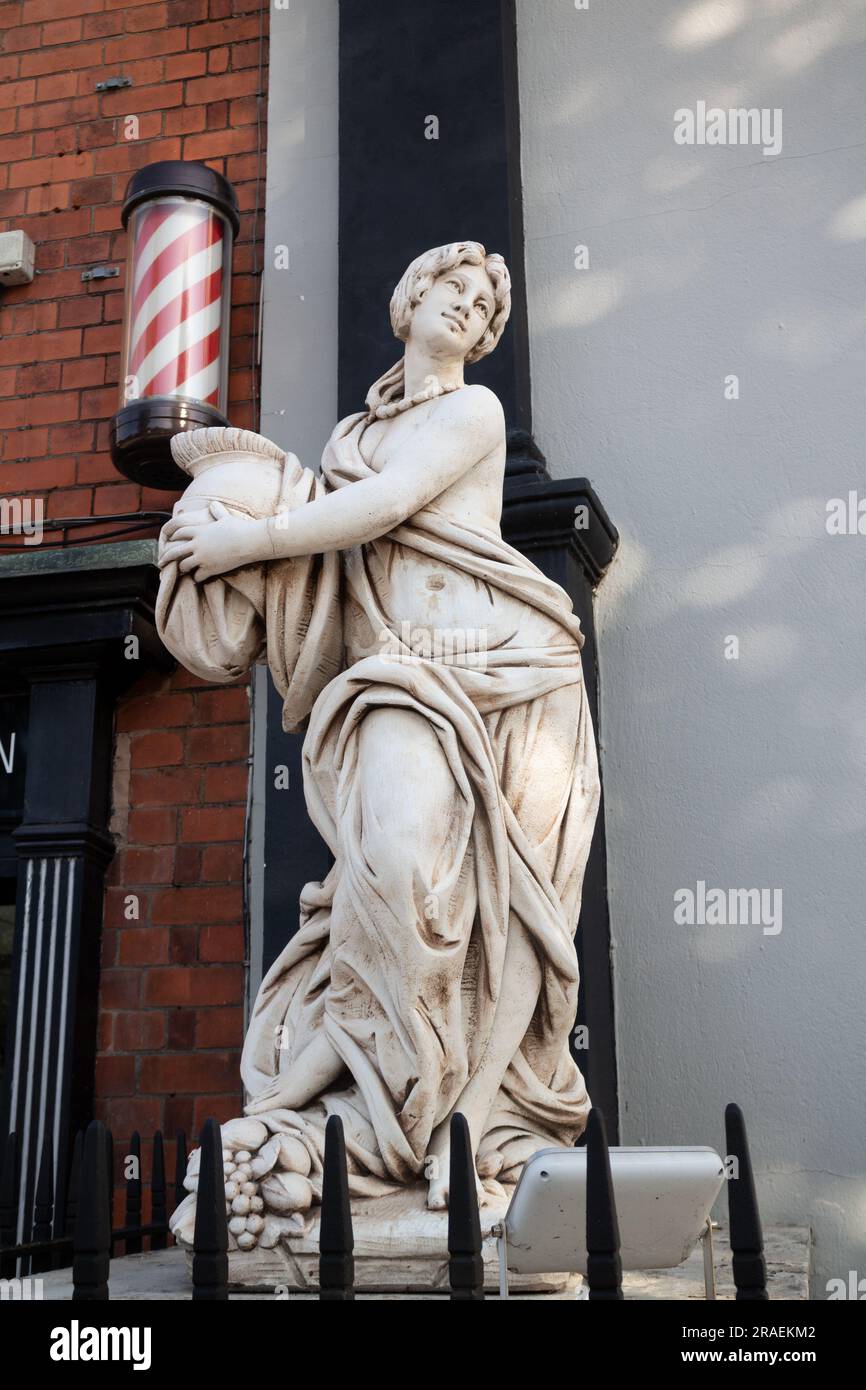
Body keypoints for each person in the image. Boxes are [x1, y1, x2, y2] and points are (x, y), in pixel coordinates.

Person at [159, 242, 600, 1210]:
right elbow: (334, 542)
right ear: (408, 298)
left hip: (511, 670)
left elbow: (384, 508)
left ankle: (472, 1122)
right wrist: (231, 517)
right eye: (450, 286)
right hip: (398, 672)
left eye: (483, 302)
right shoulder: (351, 433)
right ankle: (380, 1102)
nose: (466, 305)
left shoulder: (469, 408)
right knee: (392, 869)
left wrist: (249, 537)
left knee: (507, 911)